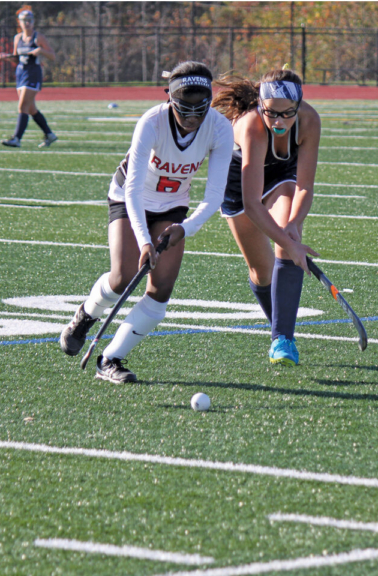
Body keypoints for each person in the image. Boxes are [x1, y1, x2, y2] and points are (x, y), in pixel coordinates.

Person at [59, 61, 234, 383]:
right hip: (129, 198)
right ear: (169, 97)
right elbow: (133, 187)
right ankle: (85, 316)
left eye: (201, 104)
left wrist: (185, 228)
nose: (193, 115)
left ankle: (110, 359)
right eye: (186, 104)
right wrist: (144, 241)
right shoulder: (151, 122)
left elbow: (214, 195)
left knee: (161, 288)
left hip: (172, 206)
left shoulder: (220, 128)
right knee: (124, 276)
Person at [212, 69, 320, 366]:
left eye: (287, 114)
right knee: (261, 272)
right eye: (271, 113)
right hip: (239, 182)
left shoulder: (309, 121)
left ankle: (282, 338)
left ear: (299, 107)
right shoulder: (252, 127)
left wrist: (294, 227)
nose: (279, 122)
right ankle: (281, 325)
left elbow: (305, 187)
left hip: (282, 175)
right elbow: (252, 203)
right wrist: (288, 240)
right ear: (261, 105)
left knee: (287, 235)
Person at [0, 7, 57, 148]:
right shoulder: (17, 38)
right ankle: (49, 134)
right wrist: (5, 58)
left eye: (29, 20)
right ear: (19, 22)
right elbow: (16, 59)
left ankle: (16, 138)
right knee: (30, 108)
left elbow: (52, 56)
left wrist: (41, 50)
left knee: (23, 105)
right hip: (21, 73)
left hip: (33, 73)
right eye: (24, 21)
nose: (27, 23)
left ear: (33, 22)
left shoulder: (38, 37)